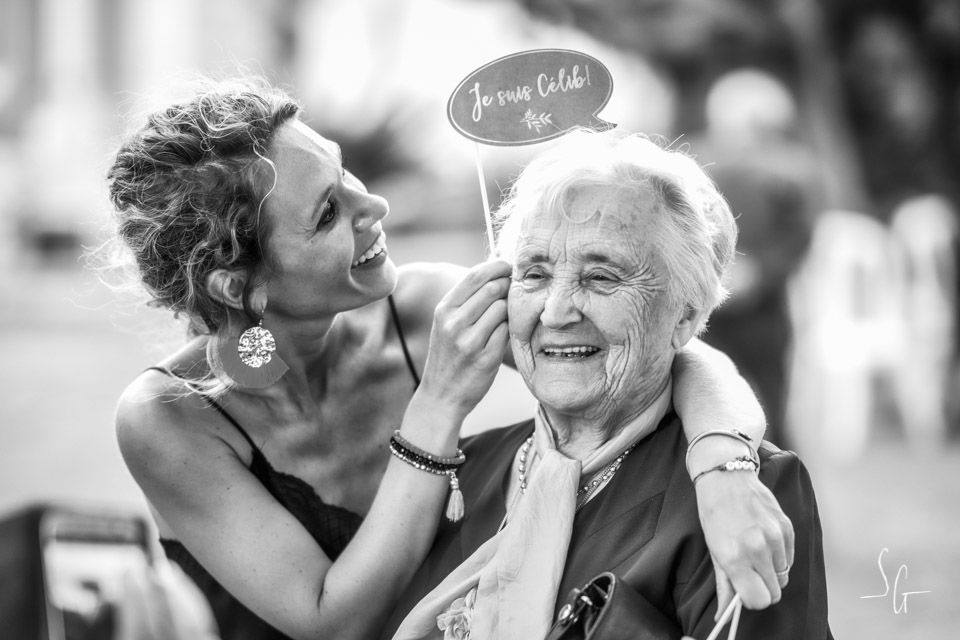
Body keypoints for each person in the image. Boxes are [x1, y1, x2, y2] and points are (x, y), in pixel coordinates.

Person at [106, 79, 791, 640]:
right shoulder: (171, 417)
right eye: (326, 214)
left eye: (346, 174)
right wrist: (436, 405)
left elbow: (678, 356)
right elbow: (333, 621)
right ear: (242, 286)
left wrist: (725, 470)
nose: (373, 204)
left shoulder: (422, 308)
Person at [387, 130, 831, 639]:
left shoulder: (741, 497)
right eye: (535, 274)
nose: (555, 312)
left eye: (601, 277)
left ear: (684, 316)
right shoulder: (463, 475)